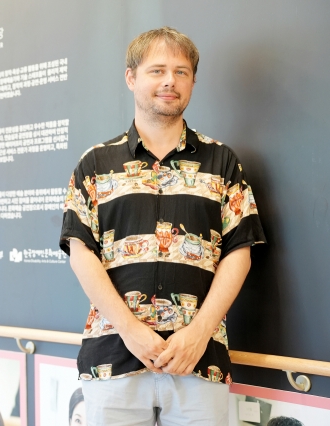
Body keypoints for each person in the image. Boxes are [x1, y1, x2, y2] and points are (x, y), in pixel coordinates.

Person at [60, 27, 266, 425]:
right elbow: (81, 253)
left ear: (192, 82)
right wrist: (132, 332)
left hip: (200, 363)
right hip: (113, 362)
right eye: (157, 70)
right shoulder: (95, 164)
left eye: (182, 71)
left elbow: (239, 252)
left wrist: (198, 333)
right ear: (131, 77)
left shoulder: (222, 162)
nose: (170, 81)